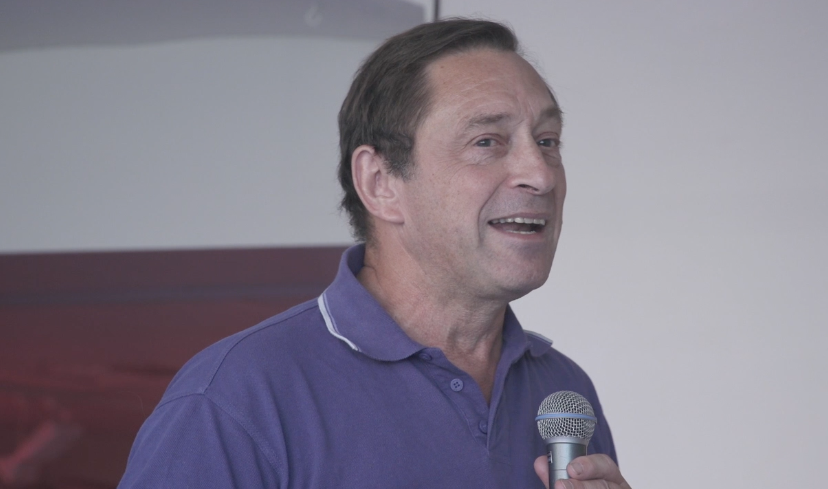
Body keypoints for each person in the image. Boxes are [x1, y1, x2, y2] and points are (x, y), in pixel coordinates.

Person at [118, 19, 631, 489]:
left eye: (548, 140)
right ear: (380, 182)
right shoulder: (236, 398)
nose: (540, 174)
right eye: (486, 142)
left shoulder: (563, 392)